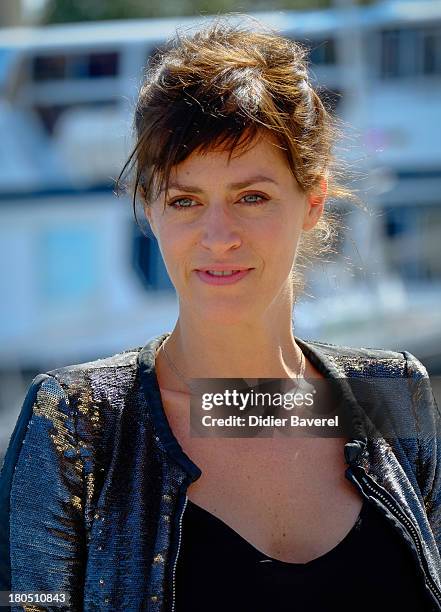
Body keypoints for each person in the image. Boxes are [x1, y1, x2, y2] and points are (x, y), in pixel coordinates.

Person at [0, 16, 440, 612]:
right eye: (186, 200)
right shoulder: (78, 426)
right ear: (151, 210)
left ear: (312, 202)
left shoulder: (389, 393)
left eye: (250, 197)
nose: (218, 236)